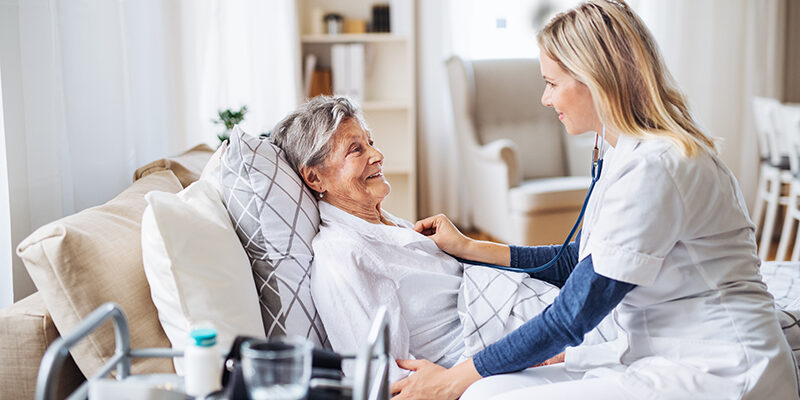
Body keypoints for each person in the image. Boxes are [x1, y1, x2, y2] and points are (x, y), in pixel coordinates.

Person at [389, 1, 800, 399]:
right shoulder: (624, 150)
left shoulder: (656, 166)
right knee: (486, 388)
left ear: (597, 80)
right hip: (660, 352)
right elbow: (577, 262)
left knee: (483, 394)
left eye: (551, 83)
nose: (545, 99)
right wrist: (470, 248)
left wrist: (455, 378)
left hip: (720, 370)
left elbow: (573, 315)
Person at [269, 95, 613, 381]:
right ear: (315, 178)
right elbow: (380, 374)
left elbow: (568, 259)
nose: (377, 155)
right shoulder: (342, 255)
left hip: (545, 313)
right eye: (355, 150)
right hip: (519, 342)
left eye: (370, 142)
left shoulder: (389, 225)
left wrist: (465, 249)